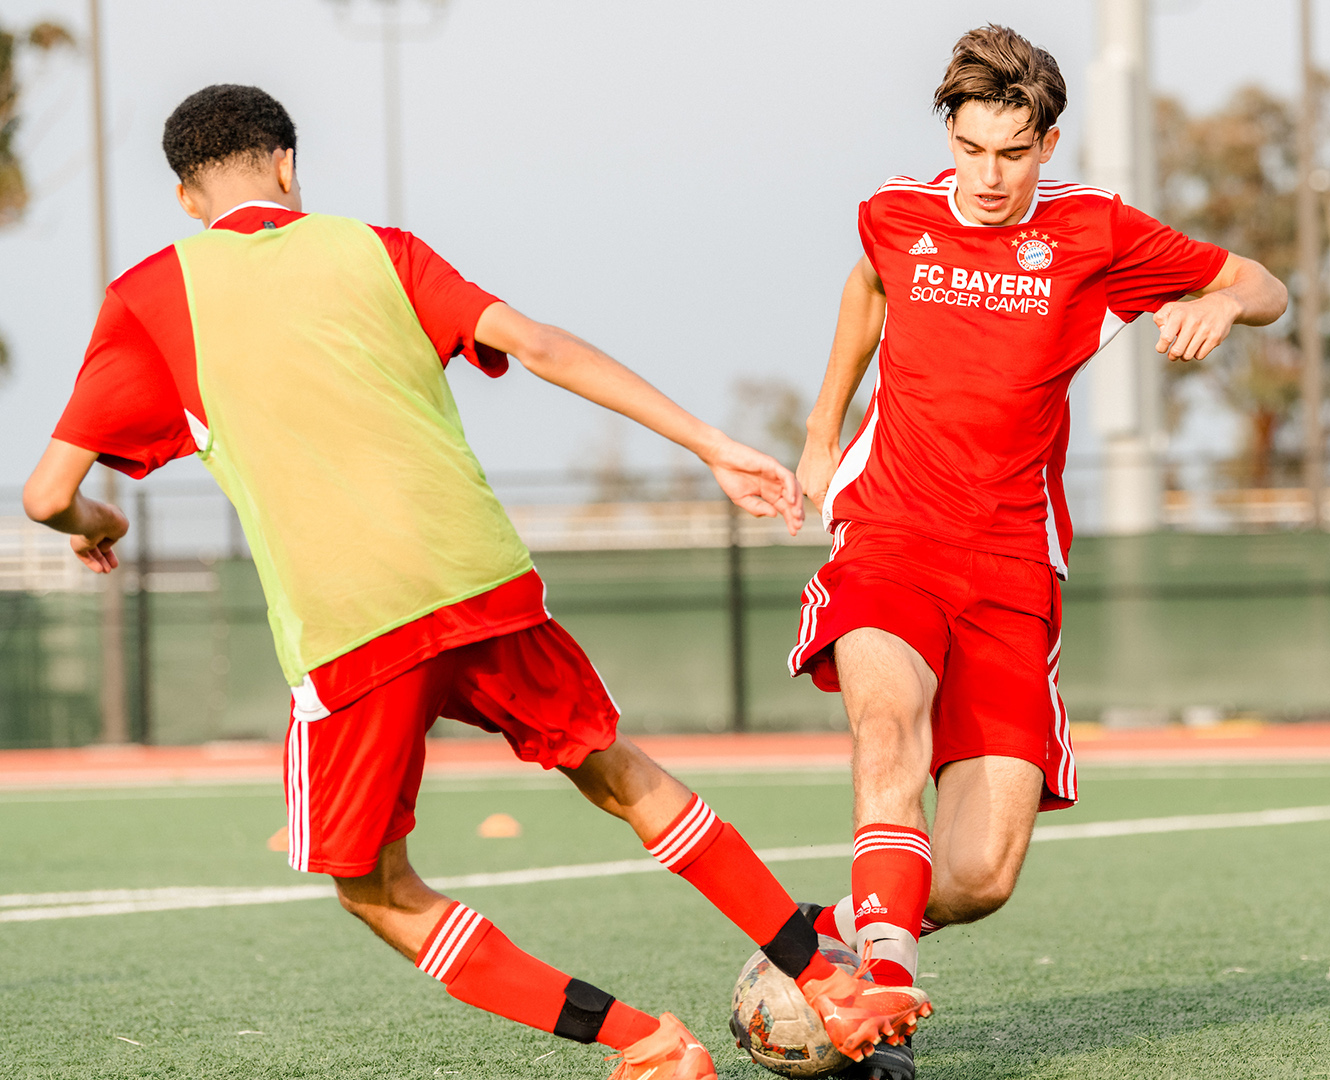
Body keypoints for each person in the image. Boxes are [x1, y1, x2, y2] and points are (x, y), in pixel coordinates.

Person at [21, 84, 928, 1080]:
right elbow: (537, 344)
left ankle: (650, 1045)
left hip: (351, 625)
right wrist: (711, 445)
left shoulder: (152, 295)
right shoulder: (382, 250)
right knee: (618, 774)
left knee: (374, 888)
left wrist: (92, 522)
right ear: (288, 166)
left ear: (189, 199)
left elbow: (47, 493)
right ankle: (831, 983)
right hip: (481, 579)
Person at [784, 26, 1287, 1079]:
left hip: (1015, 568)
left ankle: (827, 929)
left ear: (1047, 143)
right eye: (972, 150)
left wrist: (1218, 304)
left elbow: (1263, 282)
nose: (990, 176)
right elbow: (868, 288)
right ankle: (879, 993)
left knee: (979, 872)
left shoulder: (1096, 232)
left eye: (1013, 153)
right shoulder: (897, 214)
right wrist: (823, 431)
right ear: (951, 137)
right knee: (889, 730)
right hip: (891, 531)